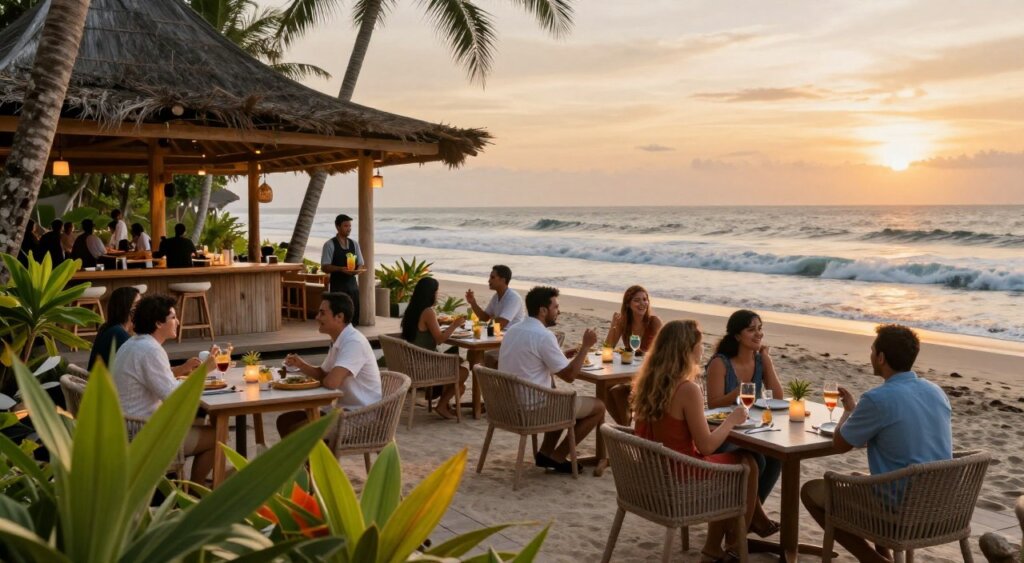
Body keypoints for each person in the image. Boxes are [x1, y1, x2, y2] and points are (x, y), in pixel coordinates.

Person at [801, 324, 952, 563]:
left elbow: (841, 444)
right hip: (943, 505)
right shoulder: (935, 391)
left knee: (811, 491)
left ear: (881, 357)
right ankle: (886, 556)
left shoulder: (878, 399)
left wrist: (847, 413)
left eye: (872, 350)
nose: (870, 355)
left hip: (900, 510)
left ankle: (873, 560)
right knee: (858, 477)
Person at [631, 320, 779, 561]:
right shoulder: (687, 389)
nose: (702, 349)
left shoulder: (649, 382)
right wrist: (731, 420)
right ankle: (734, 538)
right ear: (687, 349)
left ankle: (727, 537)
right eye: (699, 344)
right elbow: (706, 446)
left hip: (653, 472)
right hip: (681, 475)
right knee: (747, 464)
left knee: (742, 459)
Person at [112, 294, 219, 483]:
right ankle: (196, 490)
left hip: (125, 427)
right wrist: (204, 371)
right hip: (145, 434)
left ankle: (190, 486)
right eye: (173, 318)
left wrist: (186, 373)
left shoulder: (133, 344)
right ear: (158, 323)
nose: (178, 322)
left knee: (200, 420)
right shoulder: (150, 350)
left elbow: (158, 381)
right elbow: (174, 396)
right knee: (218, 435)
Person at [498, 286, 603, 473]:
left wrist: (564, 355)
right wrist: (586, 346)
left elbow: (532, 361)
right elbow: (570, 377)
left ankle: (545, 453)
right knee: (598, 407)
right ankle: (558, 456)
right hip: (532, 410)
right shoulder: (543, 335)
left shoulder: (513, 330)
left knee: (557, 396)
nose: (559, 311)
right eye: (555, 307)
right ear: (543, 310)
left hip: (506, 407)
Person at [706, 309, 785, 502]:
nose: (758, 333)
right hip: (724, 432)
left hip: (751, 430)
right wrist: (737, 393)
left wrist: (768, 362)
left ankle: (749, 517)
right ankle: (749, 516)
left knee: (776, 458)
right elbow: (713, 403)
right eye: (751, 330)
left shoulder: (759, 361)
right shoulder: (720, 363)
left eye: (760, 328)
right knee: (758, 458)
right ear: (737, 336)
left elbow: (778, 397)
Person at [276, 292, 382, 436]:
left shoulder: (353, 342)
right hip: (342, 411)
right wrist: (301, 365)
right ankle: (308, 458)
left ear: (339, 317)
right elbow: (322, 373)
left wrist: (324, 378)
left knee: (300, 432)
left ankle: (322, 458)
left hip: (359, 417)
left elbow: (331, 382)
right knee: (285, 421)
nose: (317, 317)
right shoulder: (339, 340)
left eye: (322, 313)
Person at [400, 277, 467, 420]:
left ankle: (445, 401)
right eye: (436, 292)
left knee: (459, 364)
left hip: (412, 362)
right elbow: (440, 340)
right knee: (464, 372)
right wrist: (454, 325)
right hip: (424, 366)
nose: (437, 295)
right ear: (430, 293)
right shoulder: (428, 312)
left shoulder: (412, 309)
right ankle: (442, 404)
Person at [603, 285, 664, 424]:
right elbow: (607, 349)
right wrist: (613, 326)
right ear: (628, 304)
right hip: (630, 372)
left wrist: (644, 354)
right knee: (605, 388)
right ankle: (625, 427)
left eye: (645, 299)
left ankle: (625, 429)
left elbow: (664, 352)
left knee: (618, 391)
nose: (642, 304)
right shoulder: (624, 323)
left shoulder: (654, 322)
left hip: (651, 373)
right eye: (637, 300)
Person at [321, 214, 364, 326]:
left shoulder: (354, 244)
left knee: (353, 319)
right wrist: (340, 269)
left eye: (350, 226)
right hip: (337, 288)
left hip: (353, 287)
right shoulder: (329, 245)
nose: (349, 228)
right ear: (337, 227)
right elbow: (324, 267)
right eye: (346, 226)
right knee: (338, 320)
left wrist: (357, 270)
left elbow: (360, 264)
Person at [88, 286, 141, 370]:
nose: (142, 308)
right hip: (107, 382)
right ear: (128, 308)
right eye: (138, 304)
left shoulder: (109, 328)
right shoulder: (118, 333)